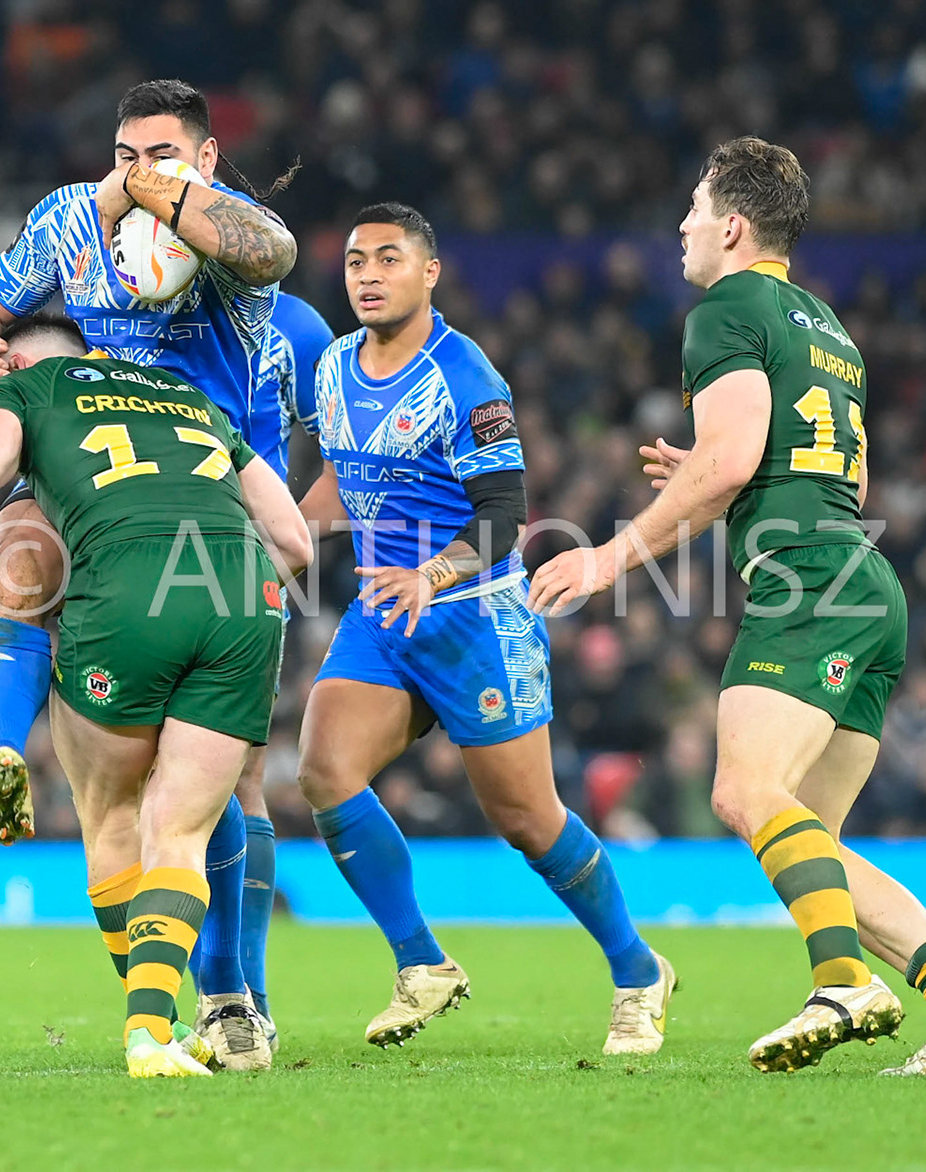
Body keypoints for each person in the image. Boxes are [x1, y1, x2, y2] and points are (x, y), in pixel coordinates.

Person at [529, 137, 926, 1075]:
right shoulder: (829, 329)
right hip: (864, 583)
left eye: (692, 207)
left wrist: (607, 557)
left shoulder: (727, 307)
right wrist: (732, 480)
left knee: (742, 792)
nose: (680, 225)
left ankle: (841, 982)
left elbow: (726, 465)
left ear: (732, 225)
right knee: (812, 844)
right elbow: (845, 472)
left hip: (806, 587)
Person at [0, 78, 297, 1066]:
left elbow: (277, 254)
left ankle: (229, 992)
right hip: (97, 463)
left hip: (212, 479)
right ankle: (2, 747)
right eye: (127, 153)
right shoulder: (67, 220)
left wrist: (165, 200)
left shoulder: (232, 226)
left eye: (164, 152)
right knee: (18, 557)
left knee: (232, 785)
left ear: (207, 158)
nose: (139, 170)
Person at [294, 203, 673, 1054]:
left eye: (388, 260)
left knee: (527, 818)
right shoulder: (330, 369)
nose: (367, 275)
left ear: (429, 273)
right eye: (355, 261)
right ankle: (422, 962)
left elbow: (504, 516)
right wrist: (278, 533)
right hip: (386, 613)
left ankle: (638, 970)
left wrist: (431, 576)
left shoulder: (465, 377)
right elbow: (337, 482)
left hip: (473, 617)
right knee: (324, 770)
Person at [186, 289, 336, 1049]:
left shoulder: (293, 324)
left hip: (237, 565)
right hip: (121, 557)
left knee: (235, 774)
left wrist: (285, 532)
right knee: (150, 781)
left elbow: (350, 439)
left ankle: (245, 1000)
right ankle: (203, 997)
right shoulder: (112, 300)